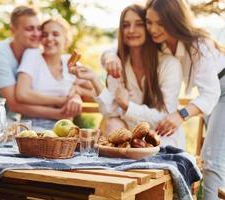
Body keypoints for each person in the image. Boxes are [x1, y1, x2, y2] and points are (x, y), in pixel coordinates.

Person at [103, 0, 225, 198]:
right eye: (149, 22)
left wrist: (181, 114)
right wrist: (109, 56)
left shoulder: (198, 44)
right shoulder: (164, 44)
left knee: (212, 158)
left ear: (174, 20)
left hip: (222, 88)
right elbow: (115, 45)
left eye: (160, 23)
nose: (153, 29)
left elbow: (211, 93)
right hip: (214, 92)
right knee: (217, 155)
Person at [72, 4, 185, 148]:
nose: (131, 31)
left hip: (161, 137)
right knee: (113, 123)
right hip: (130, 139)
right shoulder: (118, 63)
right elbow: (110, 111)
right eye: (126, 25)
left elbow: (164, 119)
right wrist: (94, 79)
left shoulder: (169, 64)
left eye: (139, 24)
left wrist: (126, 106)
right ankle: (120, 167)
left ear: (148, 28)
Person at [0, 6, 82, 123]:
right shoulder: (0, 53)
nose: (37, 34)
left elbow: (79, 86)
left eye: (39, 29)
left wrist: (75, 94)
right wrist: (60, 109)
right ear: (13, 30)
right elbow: (15, 104)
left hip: (12, 119)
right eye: (30, 29)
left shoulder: (35, 53)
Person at [15, 18, 86, 129]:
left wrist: (76, 95)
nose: (49, 39)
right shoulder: (32, 55)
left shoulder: (70, 61)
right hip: (32, 127)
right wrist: (61, 101)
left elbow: (94, 90)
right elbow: (22, 94)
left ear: (66, 39)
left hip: (65, 128)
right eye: (44, 35)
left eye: (56, 34)